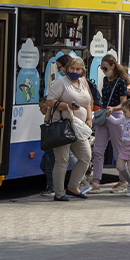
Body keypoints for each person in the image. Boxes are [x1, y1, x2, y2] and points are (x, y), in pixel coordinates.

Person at [42, 55, 94, 201]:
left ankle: (73, 187)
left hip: (80, 127)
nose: (75, 71)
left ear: (82, 70)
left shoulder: (82, 82)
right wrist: (68, 106)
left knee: (85, 157)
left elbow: (88, 102)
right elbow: (50, 101)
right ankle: (59, 193)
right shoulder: (61, 82)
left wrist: (89, 118)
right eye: (72, 68)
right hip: (63, 126)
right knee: (62, 160)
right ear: (66, 69)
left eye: (78, 69)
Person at [91, 56, 130, 193]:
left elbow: (124, 103)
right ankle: (96, 182)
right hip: (104, 116)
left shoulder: (121, 82)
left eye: (105, 68)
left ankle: (123, 181)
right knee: (97, 150)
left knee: (118, 150)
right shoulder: (105, 80)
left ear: (113, 66)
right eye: (101, 68)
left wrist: (113, 109)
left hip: (116, 115)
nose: (103, 70)